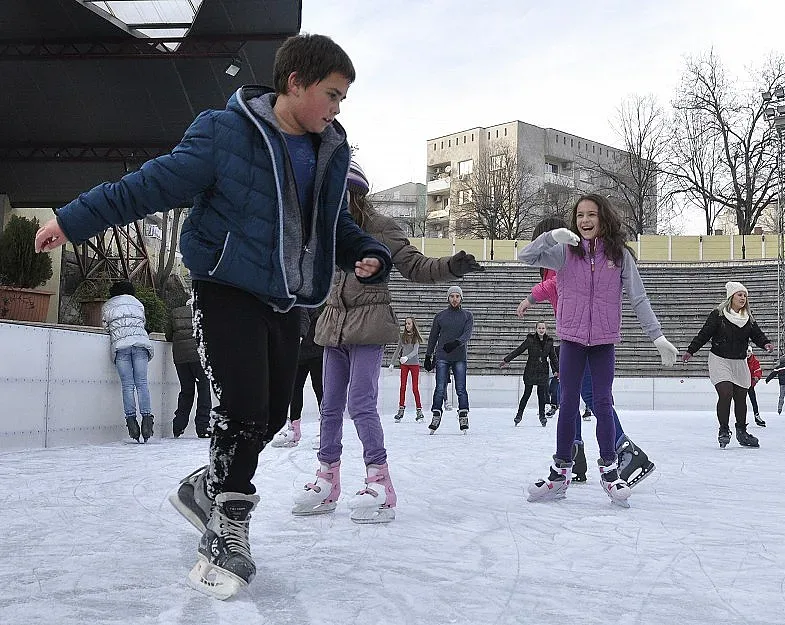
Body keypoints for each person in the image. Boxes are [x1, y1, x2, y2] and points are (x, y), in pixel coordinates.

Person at [35, 34, 393, 599]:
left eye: (343, 99)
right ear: (295, 82)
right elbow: (148, 186)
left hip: (286, 296)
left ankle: (207, 487)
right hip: (224, 286)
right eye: (332, 94)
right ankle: (227, 529)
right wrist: (73, 221)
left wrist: (363, 251)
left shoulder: (331, 148)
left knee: (273, 415)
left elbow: (328, 226)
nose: (337, 108)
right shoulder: (225, 132)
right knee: (244, 410)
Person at [292, 161, 483, 523]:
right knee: (330, 406)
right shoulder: (325, 229)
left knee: (361, 403)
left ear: (355, 194)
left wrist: (451, 266)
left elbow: (414, 265)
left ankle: (380, 481)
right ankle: (327, 478)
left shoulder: (380, 229)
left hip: (369, 325)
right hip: (333, 327)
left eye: (338, 193)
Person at [519, 194, 679, 507]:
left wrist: (657, 336)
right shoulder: (564, 253)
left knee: (603, 403)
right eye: (580, 215)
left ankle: (610, 470)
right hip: (572, 341)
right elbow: (526, 256)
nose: (585, 221)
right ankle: (560, 473)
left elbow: (639, 298)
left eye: (591, 215)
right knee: (567, 403)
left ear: (602, 218)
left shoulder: (619, 256)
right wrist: (551, 237)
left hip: (603, 342)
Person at [683, 281, 773, 449]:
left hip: (739, 361)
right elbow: (704, 334)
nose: (743, 298)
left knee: (741, 396)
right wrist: (691, 350)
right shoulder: (718, 315)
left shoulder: (748, 319)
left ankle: (741, 431)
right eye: (740, 294)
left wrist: (765, 343)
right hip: (719, 359)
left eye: (745, 295)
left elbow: (757, 335)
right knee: (725, 392)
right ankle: (724, 430)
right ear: (731, 297)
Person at [101, 280, 155, 443]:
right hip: (140, 344)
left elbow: (106, 327)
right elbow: (143, 323)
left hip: (121, 347)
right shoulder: (138, 304)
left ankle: (131, 423)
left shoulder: (108, 306)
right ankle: (147, 420)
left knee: (127, 386)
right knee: (142, 384)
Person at [424, 286, 476, 434]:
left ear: (461, 298)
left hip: (459, 356)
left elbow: (467, 334)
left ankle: (463, 414)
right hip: (442, 356)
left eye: (457, 296)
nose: (454, 299)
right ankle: (436, 413)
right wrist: (428, 355)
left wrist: (456, 343)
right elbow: (433, 336)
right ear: (448, 298)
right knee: (440, 387)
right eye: (452, 296)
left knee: (461, 388)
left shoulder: (467, 316)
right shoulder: (440, 316)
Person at [271, 306, 324, 447]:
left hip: (316, 348)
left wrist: (298, 337)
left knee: (320, 389)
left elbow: (303, 316)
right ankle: (294, 430)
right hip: (299, 353)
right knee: (294, 389)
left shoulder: (304, 296)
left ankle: (326, 429)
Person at [499, 321, 559, 427]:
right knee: (527, 393)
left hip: (542, 370)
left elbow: (553, 357)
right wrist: (506, 360)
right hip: (531, 369)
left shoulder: (549, 341)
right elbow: (519, 350)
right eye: (539, 328)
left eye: (543, 328)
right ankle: (519, 415)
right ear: (536, 329)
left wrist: (558, 370)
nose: (541, 330)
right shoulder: (530, 339)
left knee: (541, 395)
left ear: (546, 330)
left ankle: (542, 416)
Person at [166, 299, 212, 438]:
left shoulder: (175, 313)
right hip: (199, 356)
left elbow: (168, 336)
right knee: (204, 390)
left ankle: (178, 426)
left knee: (186, 390)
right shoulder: (203, 312)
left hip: (180, 358)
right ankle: (203, 427)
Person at [390, 316, 426, 423]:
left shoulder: (415, 338)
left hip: (414, 364)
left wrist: (407, 357)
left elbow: (415, 351)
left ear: (413, 325)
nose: (407, 325)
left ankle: (419, 411)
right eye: (406, 324)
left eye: (409, 323)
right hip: (404, 365)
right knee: (402, 387)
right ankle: (401, 409)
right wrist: (392, 363)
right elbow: (397, 350)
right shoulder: (403, 337)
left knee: (415, 388)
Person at [746, 347, 764, 427]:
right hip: (741, 384)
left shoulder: (755, 361)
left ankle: (757, 416)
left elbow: (757, 370)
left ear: (751, 352)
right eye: (746, 351)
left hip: (750, 384)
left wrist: (756, 377)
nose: (747, 353)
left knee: (754, 401)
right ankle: (739, 418)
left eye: (749, 351)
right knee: (740, 402)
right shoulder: (741, 361)